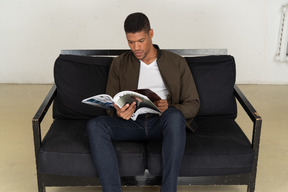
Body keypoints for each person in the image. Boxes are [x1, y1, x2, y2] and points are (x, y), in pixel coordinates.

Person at [87, 12, 200, 192]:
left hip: (162, 123)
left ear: (151, 34)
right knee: (95, 126)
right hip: (131, 124)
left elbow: (193, 104)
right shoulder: (120, 63)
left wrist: (169, 107)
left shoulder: (176, 62)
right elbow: (112, 101)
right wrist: (118, 112)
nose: (136, 47)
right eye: (131, 42)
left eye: (140, 40)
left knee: (174, 116)